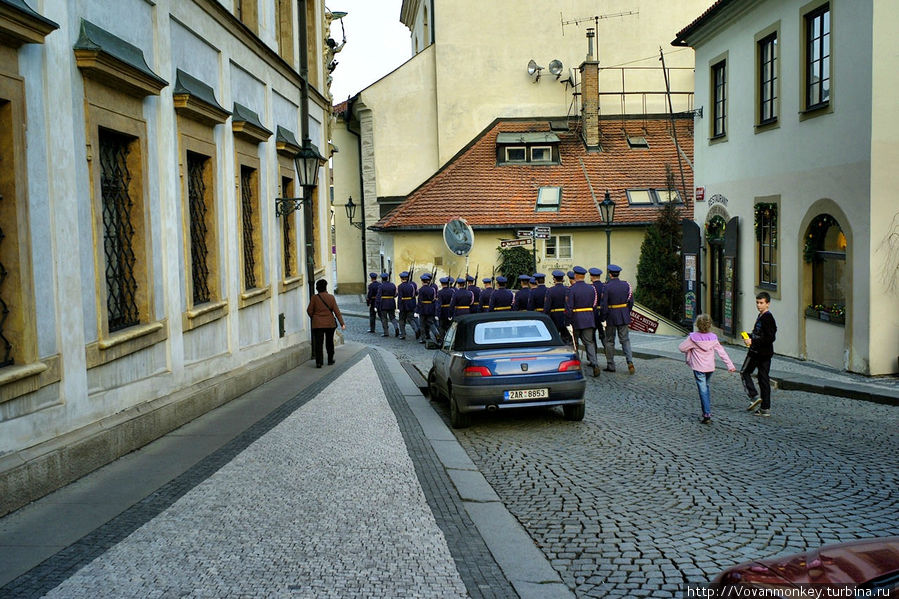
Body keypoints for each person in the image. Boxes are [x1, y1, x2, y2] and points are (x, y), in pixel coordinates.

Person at [679, 314, 736, 424]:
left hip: (698, 367)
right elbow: (721, 352)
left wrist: (691, 349)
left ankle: (707, 414)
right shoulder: (713, 338)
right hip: (710, 367)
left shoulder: (692, 337)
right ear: (710, 325)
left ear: (698, 325)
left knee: (703, 390)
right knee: (706, 388)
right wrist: (730, 365)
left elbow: (681, 348)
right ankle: (707, 409)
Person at [742, 291, 778, 417]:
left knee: (745, 372)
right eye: (757, 302)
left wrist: (752, 340)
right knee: (763, 379)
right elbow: (760, 334)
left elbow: (770, 338)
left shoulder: (768, 318)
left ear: (768, 304)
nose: (758, 305)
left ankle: (754, 396)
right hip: (763, 352)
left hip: (758, 352)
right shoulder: (761, 316)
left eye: (761, 303)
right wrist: (749, 335)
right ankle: (765, 408)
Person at [601, 264, 635, 373]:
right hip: (623, 315)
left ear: (610, 274)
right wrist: (626, 312)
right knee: (625, 340)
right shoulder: (626, 285)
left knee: (610, 341)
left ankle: (611, 365)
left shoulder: (606, 286)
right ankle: (630, 362)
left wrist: (603, 317)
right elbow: (631, 302)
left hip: (611, 315)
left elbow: (604, 305)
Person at [567, 266, 600, 377]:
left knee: (575, 343)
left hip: (576, 319)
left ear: (575, 276)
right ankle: (595, 364)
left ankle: (576, 365)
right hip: (588, 319)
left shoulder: (572, 289)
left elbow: (569, 307)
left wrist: (568, 320)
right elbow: (594, 305)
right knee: (589, 342)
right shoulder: (591, 289)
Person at [306, 279, 346, 368]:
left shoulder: (314, 298)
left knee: (318, 343)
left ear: (317, 288)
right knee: (329, 342)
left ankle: (319, 362)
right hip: (329, 323)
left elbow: (309, 311)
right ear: (325, 287)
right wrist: (342, 323)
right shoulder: (331, 297)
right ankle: (330, 360)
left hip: (317, 324)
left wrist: (315, 317)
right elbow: (337, 311)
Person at [544, 270, 572, 344]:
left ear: (554, 279)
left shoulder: (550, 290)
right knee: (566, 337)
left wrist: (546, 315)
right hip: (565, 315)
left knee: (555, 336)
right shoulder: (567, 289)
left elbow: (547, 306)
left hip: (554, 316)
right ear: (562, 279)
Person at [416, 272, 440, 345]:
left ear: (422, 281)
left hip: (423, 308)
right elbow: (434, 299)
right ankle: (437, 335)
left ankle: (423, 339)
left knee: (422, 324)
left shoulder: (421, 290)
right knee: (431, 323)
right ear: (428, 281)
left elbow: (419, 301)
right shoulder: (432, 289)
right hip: (430, 308)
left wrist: (417, 310)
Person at [396, 271, 420, 340]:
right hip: (411, 303)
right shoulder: (412, 285)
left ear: (401, 278)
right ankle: (416, 330)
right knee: (411, 319)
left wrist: (398, 307)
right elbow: (415, 294)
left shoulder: (400, 286)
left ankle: (403, 334)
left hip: (403, 304)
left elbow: (400, 297)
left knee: (401, 320)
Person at [377, 273, 400, 337]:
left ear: (382, 279)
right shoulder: (392, 285)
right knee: (392, 317)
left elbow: (378, 296)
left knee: (384, 318)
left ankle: (386, 332)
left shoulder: (381, 286)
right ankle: (396, 327)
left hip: (383, 303)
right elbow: (395, 295)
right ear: (387, 278)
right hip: (391, 302)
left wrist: (377, 305)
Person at [589, 267, 605, 347]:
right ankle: (609, 356)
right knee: (604, 336)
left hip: (593, 314)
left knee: (592, 336)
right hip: (603, 312)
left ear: (591, 276)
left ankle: (593, 357)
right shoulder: (604, 286)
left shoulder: (590, 288)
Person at [437, 276, 456, 341]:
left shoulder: (440, 292)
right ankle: (449, 339)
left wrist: (437, 314)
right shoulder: (452, 291)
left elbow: (439, 304)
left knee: (441, 326)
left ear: (442, 284)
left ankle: (442, 339)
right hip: (450, 310)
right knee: (449, 326)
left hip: (442, 311)